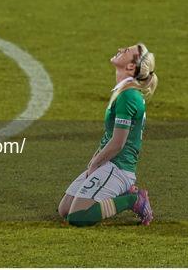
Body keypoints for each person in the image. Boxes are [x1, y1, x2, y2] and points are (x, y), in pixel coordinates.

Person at [58, 43, 158, 226]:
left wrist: (95, 164)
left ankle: (133, 200)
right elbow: (110, 136)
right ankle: (123, 193)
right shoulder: (123, 91)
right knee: (64, 210)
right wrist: (94, 160)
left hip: (118, 167)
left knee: (78, 217)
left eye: (127, 51)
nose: (121, 49)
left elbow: (118, 143)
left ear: (130, 67)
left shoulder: (128, 96)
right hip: (109, 162)